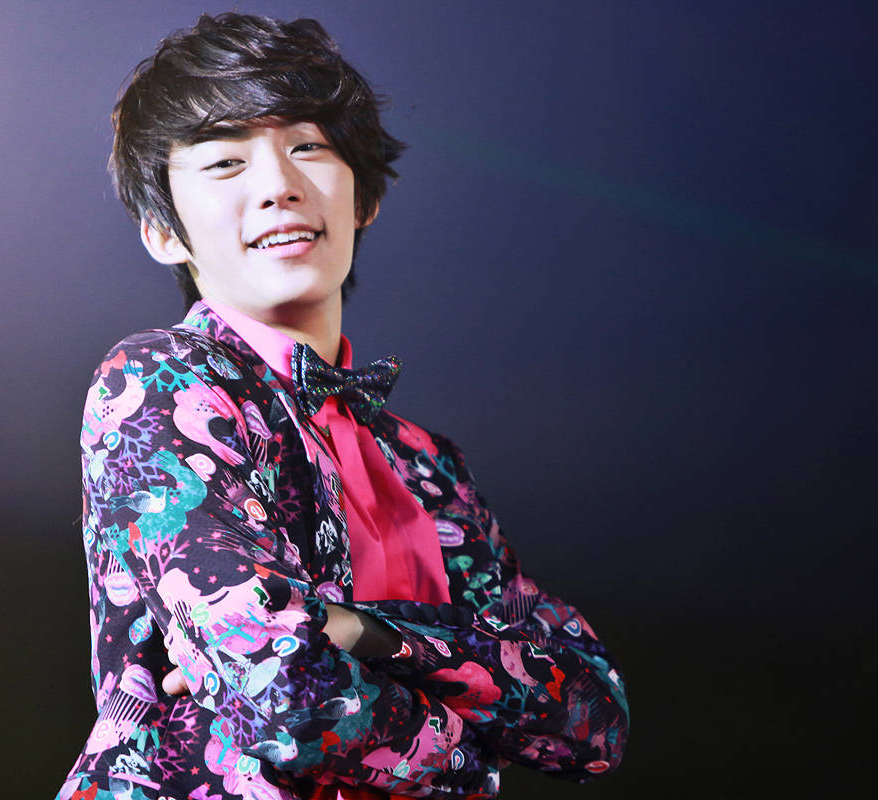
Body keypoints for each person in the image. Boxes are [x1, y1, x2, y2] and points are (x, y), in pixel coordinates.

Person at [57, 13, 628, 800]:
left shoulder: (428, 465)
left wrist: (362, 631)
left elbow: (593, 715)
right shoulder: (159, 383)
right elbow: (288, 692)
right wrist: (473, 758)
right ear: (162, 231)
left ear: (364, 198)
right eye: (224, 162)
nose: (278, 186)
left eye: (309, 147)